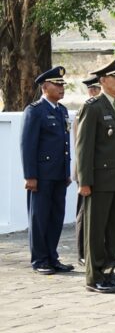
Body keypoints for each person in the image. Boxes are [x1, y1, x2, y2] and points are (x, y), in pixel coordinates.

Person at [76, 57, 115, 293]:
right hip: (98, 181)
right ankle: (94, 276)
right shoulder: (93, 106)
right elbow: (84, 147)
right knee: (95, 230)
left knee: (114, 229)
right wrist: (85, 181)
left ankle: (109, 272)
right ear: (103, 80)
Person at [21, 66, 73, 276]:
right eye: (57, 85)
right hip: (41, 176)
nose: (61, 88)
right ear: (45, 87)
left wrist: (66, 171)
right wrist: (30, 176)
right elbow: (28, 145)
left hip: (59, 174)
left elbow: (65, 145)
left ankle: (52, 256)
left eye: (63, 85)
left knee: (55, 217)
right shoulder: (35, 110)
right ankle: (40, 259)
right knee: (40, 218)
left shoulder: (61, 111)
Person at [75, 75, 102, 265]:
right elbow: (82, 145)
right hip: (87, 169)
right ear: (92, 91)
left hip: (101, 170)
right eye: (95, 89)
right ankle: (83, 252)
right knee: (85, 213)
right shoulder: (87, 109)